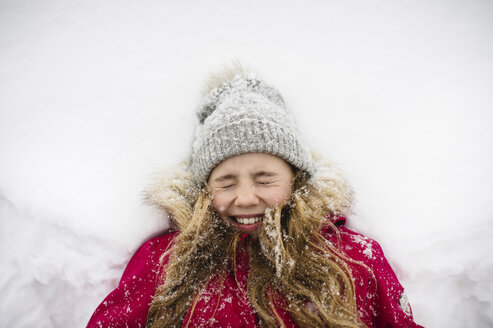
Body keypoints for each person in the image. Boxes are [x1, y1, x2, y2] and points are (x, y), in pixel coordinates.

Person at [87, 65, 423, 328]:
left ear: (296, 178)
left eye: (264, 179)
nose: (246, 198)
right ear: (204, 189)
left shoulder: (353, 259)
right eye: (227, 182)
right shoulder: (166, 263)